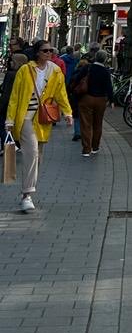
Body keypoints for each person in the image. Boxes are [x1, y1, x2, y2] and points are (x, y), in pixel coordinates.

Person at [4, 41, 73, 211]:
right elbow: (14, 96)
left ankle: (26, 190)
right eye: (45, 51)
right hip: (25, 117)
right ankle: (27, 194)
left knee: (37, 156)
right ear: (37, 53)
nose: (49, 53)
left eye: (51, 50)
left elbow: (61, 93)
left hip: (43, 119)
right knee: (33, 152)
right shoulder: (25, 70)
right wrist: (10, 120)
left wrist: (68, 113)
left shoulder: (55, 71)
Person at [72, 49, 114, 157]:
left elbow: (77, 79)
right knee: (98, 123)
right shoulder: (106, 71)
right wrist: (112, 100)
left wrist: (73, 90)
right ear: (105, 60)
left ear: (95, 57)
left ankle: (86, 149)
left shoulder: (88, 67)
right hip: (101, 100)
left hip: (87, 98)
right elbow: (109, 87)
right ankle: (95, 147)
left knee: (86, 124)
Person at [0, 51, 27, 127]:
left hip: (8, 107)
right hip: (20, 106)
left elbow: (6, 93)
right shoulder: (26, 74)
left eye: (12, 61)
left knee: (3, 128)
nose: (10, 63)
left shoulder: (11, 74)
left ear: (17, 62)